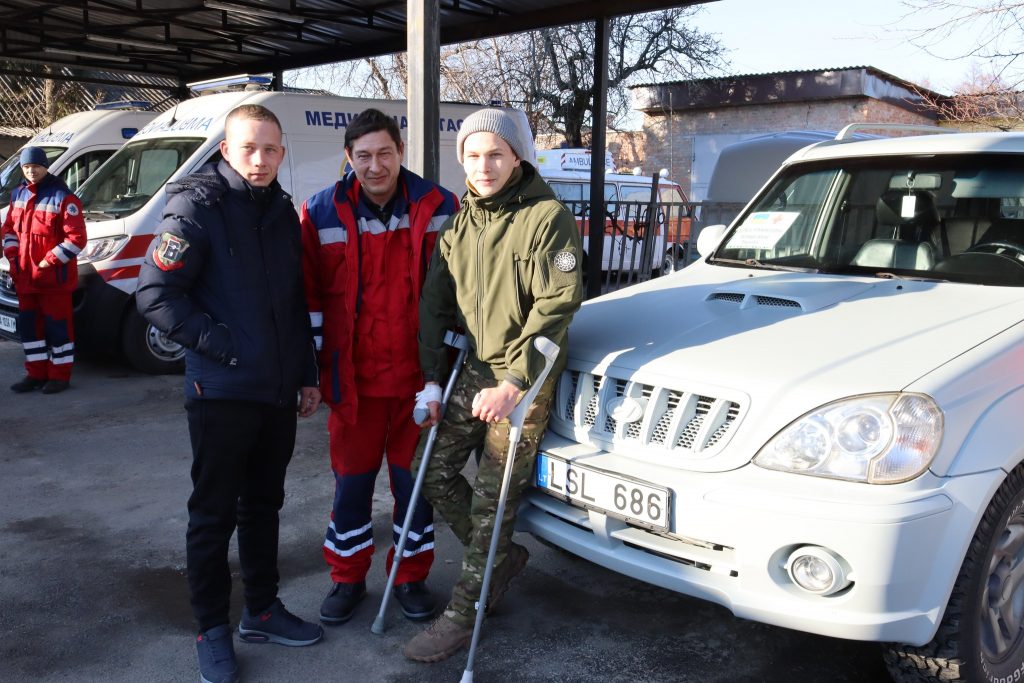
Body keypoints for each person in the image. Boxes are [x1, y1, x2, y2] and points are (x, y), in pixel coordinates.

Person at [135, 104, 323, 683]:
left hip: (276, 393)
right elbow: (156, 295)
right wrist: (225, 347)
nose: (260, 160)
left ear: (281, 152)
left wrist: (306, 373)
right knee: (213, 516)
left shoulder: (282, 213)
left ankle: (262, 609)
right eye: (248, 149)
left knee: (264, 505)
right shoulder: (197, 207)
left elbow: (291, 303)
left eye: (270, 149)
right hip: (221, 391)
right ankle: (212, 627)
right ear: (226, 150)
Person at [403, 108, 584, 663]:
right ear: (462, 160)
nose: (484, 166)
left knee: (492, 497)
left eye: (496, 154)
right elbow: (436, 305)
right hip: (474, 369)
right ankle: (499, 562)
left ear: (518, 157)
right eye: (473, 155)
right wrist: (431, 384)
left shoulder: (546, 217)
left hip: (524, 375)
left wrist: (513, 381)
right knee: (427, 470)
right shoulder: (460, 224)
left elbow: (558, 304)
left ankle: (464, 609)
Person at [300, 108, 460, 626]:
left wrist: (448, 370)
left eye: (384, 153)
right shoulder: (320, 211)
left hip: (419, 382)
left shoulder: (440, 206)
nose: (375, 166)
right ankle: (347, 578)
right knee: (352, 485)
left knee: (415, 487)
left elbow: (460, 296)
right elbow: (309, 298)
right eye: (364, 155)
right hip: (354, 385)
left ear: (400, 153)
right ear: (349, 158)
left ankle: (409, 577)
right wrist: (313, 373)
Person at [2, 146, 86, 395]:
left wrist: (47, 262)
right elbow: (9, 231)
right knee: (31, 330)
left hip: (53, 281)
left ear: (45, 167)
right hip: (25, 278)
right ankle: (35, 374)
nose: (31, 171)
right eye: (26, 167)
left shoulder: (64, 197)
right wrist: (13, 257)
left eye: (35, 166)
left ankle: (60, 376)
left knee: (57, 329)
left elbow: (76, 240)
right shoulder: (18, 195)